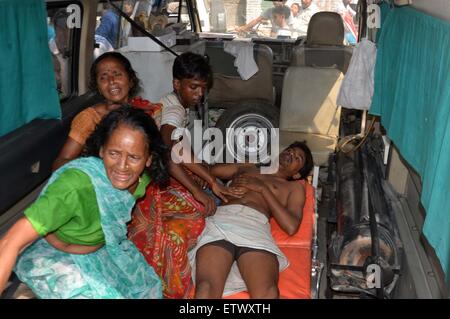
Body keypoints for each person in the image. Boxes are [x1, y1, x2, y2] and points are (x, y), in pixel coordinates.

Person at [0, 106, 169, 298]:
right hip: (56, 257)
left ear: (148, 159)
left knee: (148, 289)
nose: (122, 167)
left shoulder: (143, 179)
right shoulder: (76, 185)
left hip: (104, 250)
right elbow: (10, 241)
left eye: (134, 157)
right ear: (102, 151)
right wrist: (57, 241)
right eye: (114, 153)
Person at [128, 52, 233, 299]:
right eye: (193, 87)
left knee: (210, 188)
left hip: (163, 166)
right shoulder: (174, 110)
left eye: (202, 89)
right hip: (155, 177)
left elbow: (181, 151)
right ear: (177, 84)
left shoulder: (171, 102)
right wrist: (199, 188)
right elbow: (168, 149)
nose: (198, 94)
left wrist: (208, 178)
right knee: (208, 206)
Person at [189, 141, 314, 298]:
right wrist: (203, 177)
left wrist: (262, 189)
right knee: (206, 288)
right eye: (289, 150)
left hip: (255, 227)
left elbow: (291, 226)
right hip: (223, 219)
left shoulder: (294, 188)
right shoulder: (248, 167)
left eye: (298, 158)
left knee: (268, 293)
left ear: (297, 174)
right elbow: (209, 171)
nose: (290, 155)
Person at [52, 51, 162, 171]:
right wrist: (99, 167)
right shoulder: (89, 118)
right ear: (98, 88)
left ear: (130, 80)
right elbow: (59, 164)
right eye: (103, 77)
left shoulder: (141, 112)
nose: (111, 81)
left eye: (117, 74)